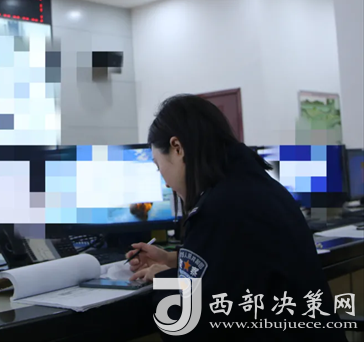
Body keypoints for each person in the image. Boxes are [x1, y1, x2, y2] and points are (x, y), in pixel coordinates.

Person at [125, 94, 347, 341]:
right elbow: (236, 262)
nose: (165, 182)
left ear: (177, 148)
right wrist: (174, 260)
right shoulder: (257, 187)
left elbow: (189, 326)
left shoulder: (219, 209)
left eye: (159, 167)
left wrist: (162, 279)